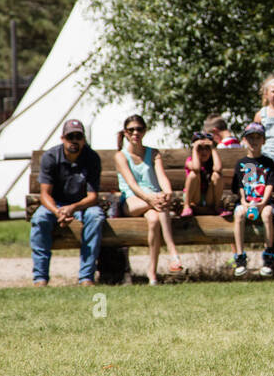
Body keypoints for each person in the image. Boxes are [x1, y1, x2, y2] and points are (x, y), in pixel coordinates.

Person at [30, 119, 104, 287]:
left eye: (78, 137)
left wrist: (72, 208)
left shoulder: (92, 158)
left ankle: (86, 277)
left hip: (82, 205)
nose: (74, 141)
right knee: (39, 219)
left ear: (84, 140)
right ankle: (40, 278)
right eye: (70, 137)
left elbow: (93, 197)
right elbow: (45, 195)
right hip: (55, 205)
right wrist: (58, 212)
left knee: (96, 216)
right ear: (62, 138)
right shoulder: (51, 157)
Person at [113, 114, 183, 283]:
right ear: (126, 133)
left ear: (144, 131)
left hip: (154, 201)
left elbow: (162, 177)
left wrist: (168, 193)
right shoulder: (120, 156)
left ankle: (152, 272)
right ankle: (173, 252)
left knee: (153, 220)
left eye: (139, 129)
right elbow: (132, 184)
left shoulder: (153, 153)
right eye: (131, 130)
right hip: (132, 200)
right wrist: (151, 199)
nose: (135, 133)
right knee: (160, 204)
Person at [230, 123, 274, 277]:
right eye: (250, 137)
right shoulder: (240, 163)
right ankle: (240, 256)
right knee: (238, 214)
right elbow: (239, 186)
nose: (254, 141)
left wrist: (263, 202)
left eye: (258, 137)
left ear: (264, 140)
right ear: (244, 140)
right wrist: (244, 202)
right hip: (246, 202)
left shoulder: (268, 163)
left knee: (267, 214)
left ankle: (268, 256)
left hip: (264, 202)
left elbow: (270, 184)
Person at [182, 131, 224, 217]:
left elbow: (218, 169)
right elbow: (196, 168)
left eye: (207, 148)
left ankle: (217, 207)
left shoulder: (213, 162)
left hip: (208, 198)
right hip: (194, 197)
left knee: (217, 175)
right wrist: (195, 148)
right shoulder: (190, 161)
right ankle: (186, 207)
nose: (204, 151)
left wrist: (213, 148)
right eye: (200, 148)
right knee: (193, 174)